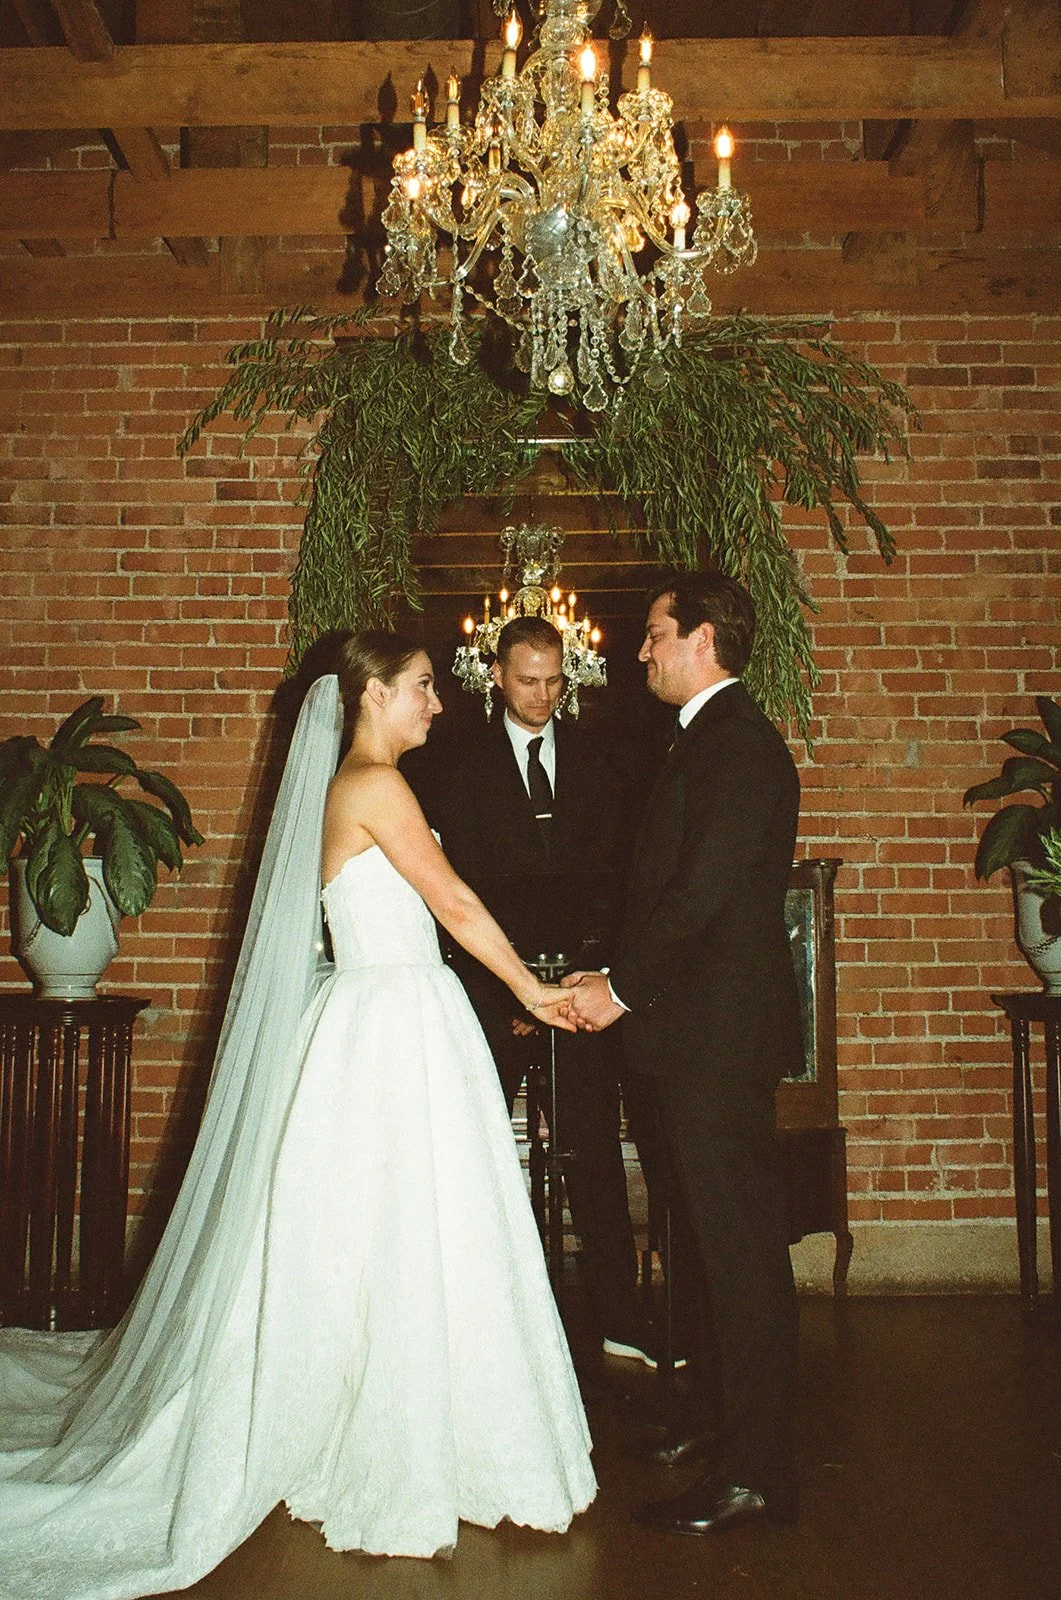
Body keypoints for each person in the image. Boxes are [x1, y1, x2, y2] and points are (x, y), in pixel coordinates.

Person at [0, 632, 596, 1599]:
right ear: (369, 696)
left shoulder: (355, 786)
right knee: (409, 1232)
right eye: (420, 688)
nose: (436, 705)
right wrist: (532, 990)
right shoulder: (374, 786)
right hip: (396, 1021)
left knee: (379, 1235)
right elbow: (447, 899)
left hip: (377, 1017)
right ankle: (399, 1445)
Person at [563, 572, 802, 1535]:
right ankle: (712, 1419)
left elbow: (697, 898)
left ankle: (758, 1473)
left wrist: (616, 991)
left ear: (702, 638)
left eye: (656, 634)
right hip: (689, 1037)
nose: (642, 650)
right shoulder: (703, 739)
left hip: (713, 1042)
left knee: (738, 1253)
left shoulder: (737, 747)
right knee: (705, 1247)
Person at [425, 616, 646, 1362]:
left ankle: (621, 1316)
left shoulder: (602, 760)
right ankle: (477, 1327)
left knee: (593, 1154)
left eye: (555, 681)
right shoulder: (452, 765)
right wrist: (514, 995)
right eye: (527, 681)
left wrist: (576, 985)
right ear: (495, 675)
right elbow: (454, 898)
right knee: (472, 1154)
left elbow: (617, 882)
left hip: (579, 994)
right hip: (493, 997)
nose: (543, 695)